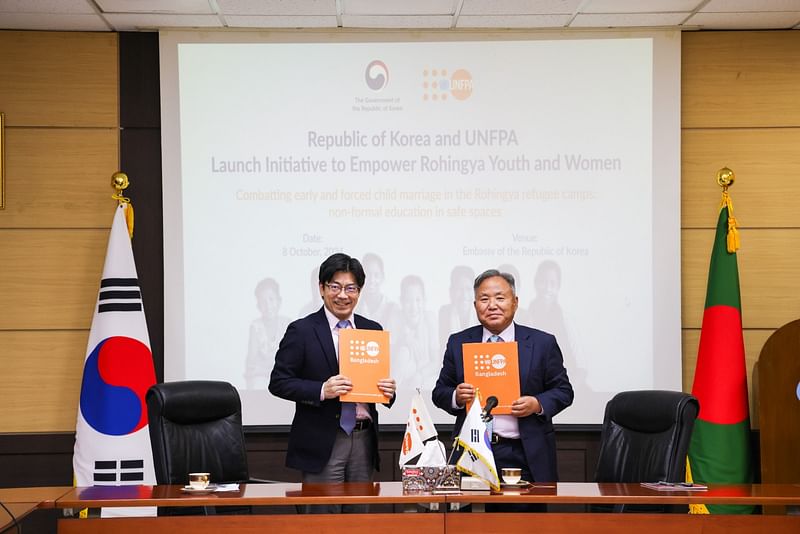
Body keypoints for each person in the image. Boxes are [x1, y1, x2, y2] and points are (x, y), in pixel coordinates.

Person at [432, 269, 573, 509]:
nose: (492, 305)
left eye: (500, 297)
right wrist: (456, 396)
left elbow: (563, 391)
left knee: (524, 526)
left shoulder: (541, 343)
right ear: (475, 304)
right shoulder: (459, 342)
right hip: (474, 452)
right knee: (471, 527)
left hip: (525, 453)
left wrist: (537, 404)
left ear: (515, 302)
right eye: (484, 299)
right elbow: (440, 392)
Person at [269, 253, 396, 513]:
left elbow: (377, 387)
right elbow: (279, 382)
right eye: (335, 286)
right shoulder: (302, 330)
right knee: (322, 522)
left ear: (359, 292)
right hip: (323, 440)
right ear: (322, 288)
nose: (342, 295)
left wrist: (388, 392)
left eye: (351, 288)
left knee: (360, 522)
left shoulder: (372, 330)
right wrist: (321, 390)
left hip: (363, 439)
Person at [390, 275, 439, 393]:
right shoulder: (396, 317)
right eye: (408, 301)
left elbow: (436, 361)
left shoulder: (430, 319)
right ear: (401, 301)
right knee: (403, 352)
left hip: (425, 371)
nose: (414, 307)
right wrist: (406, 338)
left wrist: (420, 375)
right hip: (403, 371)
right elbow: (389, 356)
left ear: (424, 300)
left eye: (418, 300)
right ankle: (391, 396)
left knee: (429, 384)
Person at [243, 277, 291, 389]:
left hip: (283, 376)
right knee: (257, 384)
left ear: (279, 301)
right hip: (261, 378)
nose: (268, 305)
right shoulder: (256, 327)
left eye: (271, 299)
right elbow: (252, 362)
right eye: (263, 301)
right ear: (258, 305)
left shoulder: (288, 324)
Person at [437, 265, 476, 350]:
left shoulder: (482, 313)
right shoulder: (444, 313)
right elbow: (443, 348)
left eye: (468, 289)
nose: (464, 295)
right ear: (451, 291)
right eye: (460, 289)